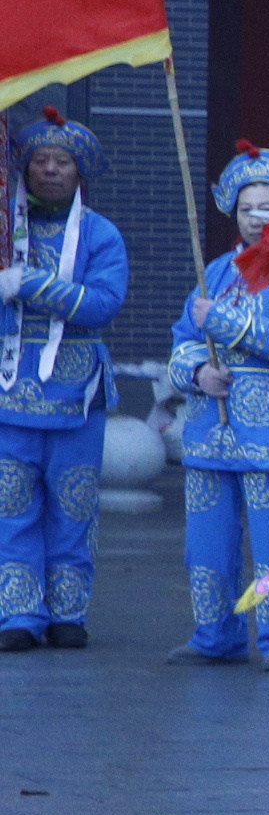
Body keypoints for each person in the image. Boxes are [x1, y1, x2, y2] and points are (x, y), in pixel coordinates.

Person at [172, 143, 269, 666]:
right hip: (210, 423)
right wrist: (196, 371)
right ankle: (214, 634)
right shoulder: (215, 271)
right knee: (207, 544)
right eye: (246, 208)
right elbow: (183, 338)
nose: (257, 218)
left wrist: (227, 324)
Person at [1, 109, 130, 650]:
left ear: (80, 173)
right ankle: (18, 615)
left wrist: (28, 283)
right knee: (10, 506)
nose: (50, 171)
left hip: (77, 394)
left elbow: (103, 304)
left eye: (63, 162)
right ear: (24, 168)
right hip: (8, 393)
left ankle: (68, 612)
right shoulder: (4, 231)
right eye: (40, 161)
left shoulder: (101, 235)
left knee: (73, 505)